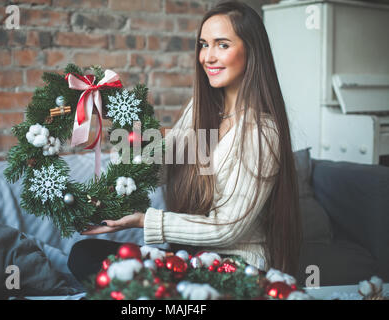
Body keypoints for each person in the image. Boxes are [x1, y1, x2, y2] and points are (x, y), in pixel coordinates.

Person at [67, 0, 301, 284]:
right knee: (85, 254)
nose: (208, 57)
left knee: (127, 275)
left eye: (222, 45)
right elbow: (164, 169)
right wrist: (133, 135)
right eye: (204, 44)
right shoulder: (200, 109)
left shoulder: (263, 132)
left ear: (251, 51)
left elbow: (227, 229)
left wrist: (145, 221)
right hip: (188, 259)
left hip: (236, 269)